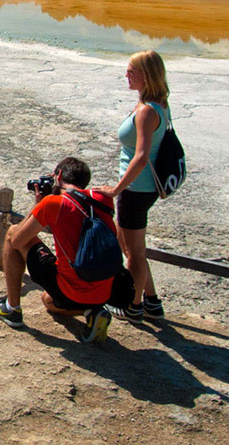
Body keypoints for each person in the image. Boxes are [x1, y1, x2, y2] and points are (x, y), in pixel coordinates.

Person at [0, 157, 134, 343]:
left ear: (60, 175)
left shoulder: (54, 204)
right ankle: (93, 311)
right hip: (103, 292)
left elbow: (18, 241)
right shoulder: (102, 199)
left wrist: (40, 204)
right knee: (48, 301)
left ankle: (11, 308)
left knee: (12, 233)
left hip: (70, 289)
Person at [96, 50, 169, 324]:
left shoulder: (148, 111)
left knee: (134, 252)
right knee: (132, 247)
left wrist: (116, 189)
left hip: (136, 190)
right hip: (142, 189)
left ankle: (132, 306)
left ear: (146, 75)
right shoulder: (157, 104)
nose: (126, 75)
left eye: (131, 70)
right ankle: (151, 302)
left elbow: (140, 156)